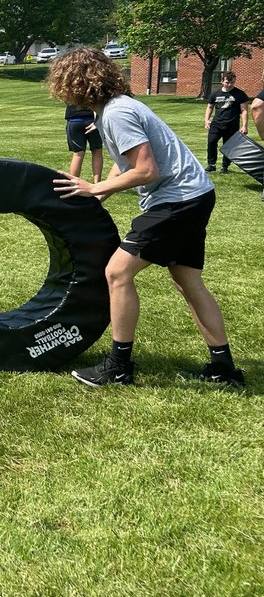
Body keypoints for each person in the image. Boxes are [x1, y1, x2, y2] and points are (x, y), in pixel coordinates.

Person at [48, 48, 244, 388]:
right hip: (195, 195)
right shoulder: (116, 108)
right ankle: (223, 368)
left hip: (177, 201)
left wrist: (94, 190)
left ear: (75, 84)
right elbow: (126, 162)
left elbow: (146, 170)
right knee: (187, 280)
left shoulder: (116, 113)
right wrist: (103, 191)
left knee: (117, 272)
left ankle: (119, 366)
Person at [203, 71, 249, 173]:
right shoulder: (215, 94)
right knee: (211, 142)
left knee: (228, 146)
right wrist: (206, 120)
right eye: (227, 82)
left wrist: (244, 126)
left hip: (232, 124)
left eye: (232, 82)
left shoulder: (240, 94)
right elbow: (210, 107)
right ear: (222, 81)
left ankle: (225, 166)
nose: (229, 85)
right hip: (216, 124)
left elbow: (244, 110)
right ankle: (211, 165)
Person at [64, 102, 103, 183]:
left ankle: (73, 182)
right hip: (92, 120)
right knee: (97, 151)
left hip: (74, 120)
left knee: (78, 154)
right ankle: (97, 183)